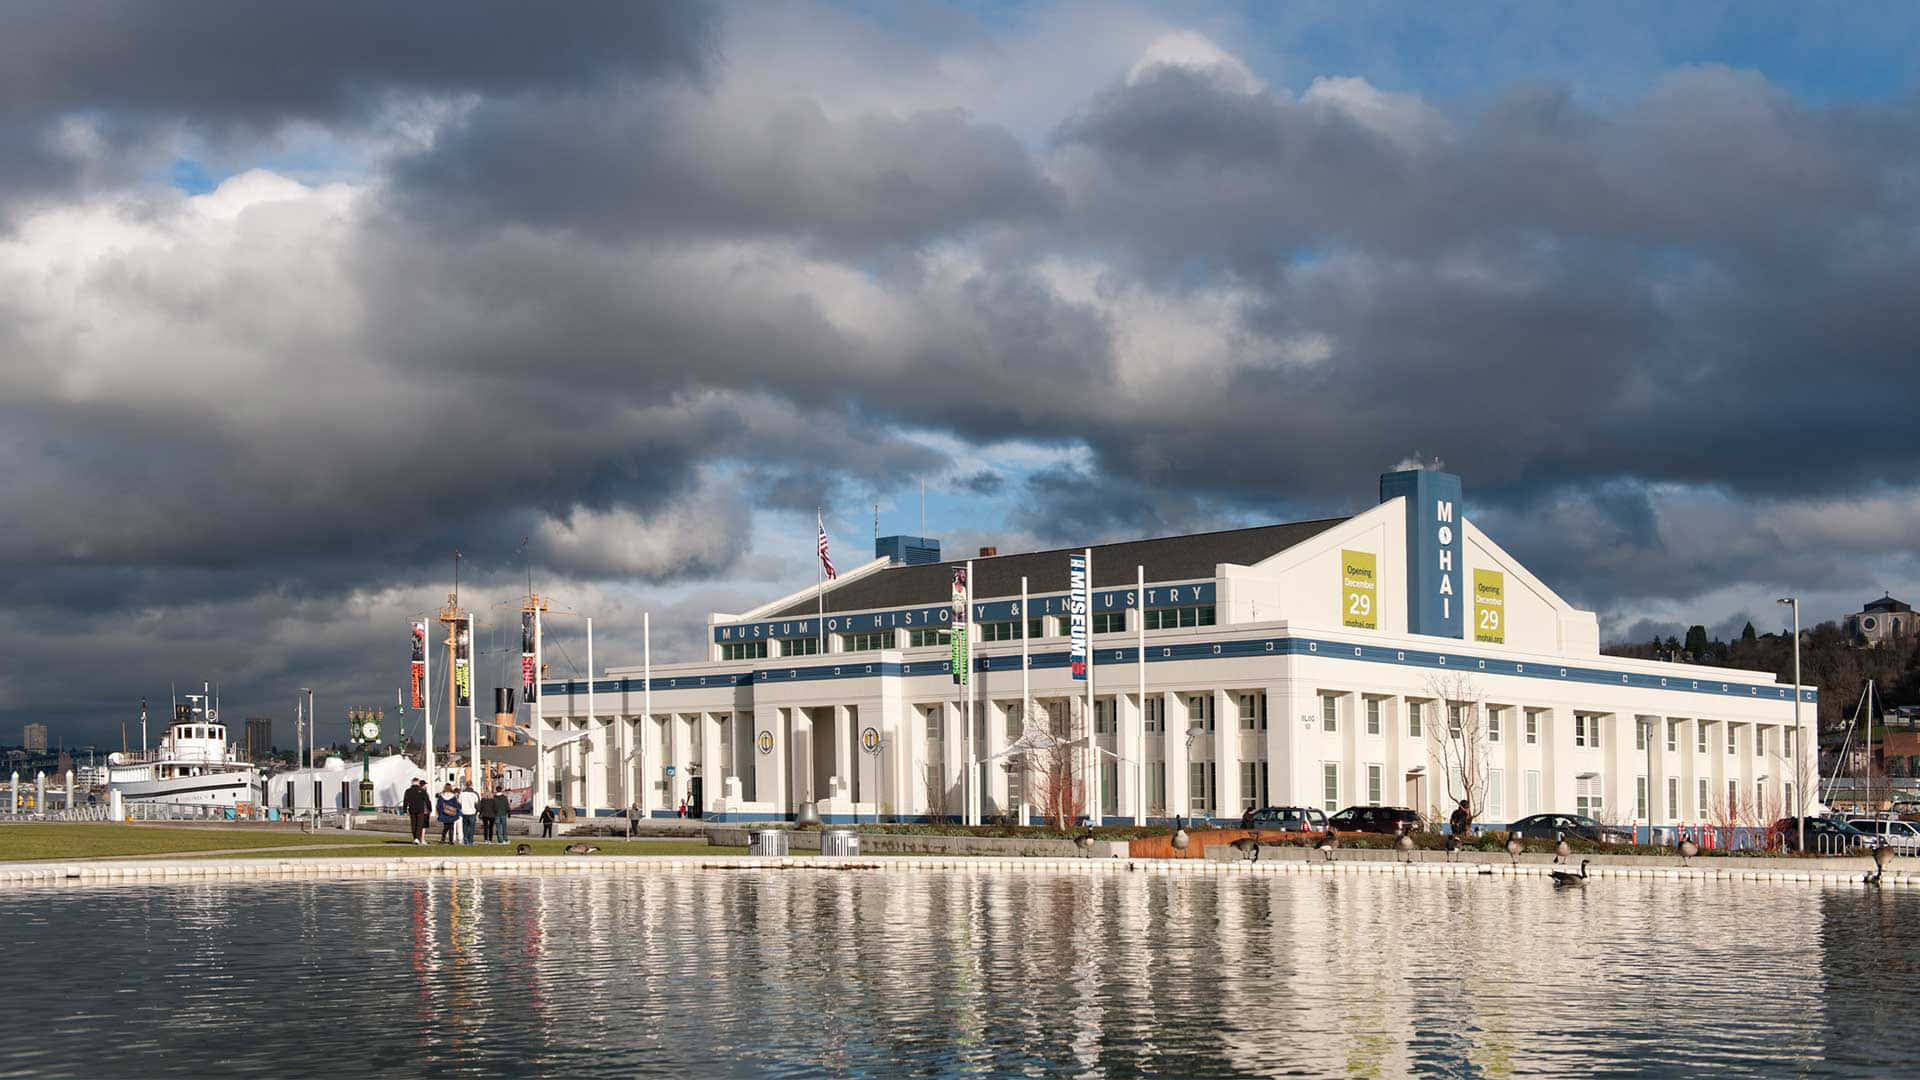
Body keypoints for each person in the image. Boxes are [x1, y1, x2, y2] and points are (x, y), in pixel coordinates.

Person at [403, 778, 432, 845]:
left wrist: (404, 810)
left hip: (412, 809)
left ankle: (415, 838)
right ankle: (417, 838)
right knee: (419, 824)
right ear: (418, 783)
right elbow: (427, 800)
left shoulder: (408, 791)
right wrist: (429, 809)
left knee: (413, 824)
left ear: (412, 782)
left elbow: (405, 801)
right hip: (420, 810)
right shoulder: (422, 790)